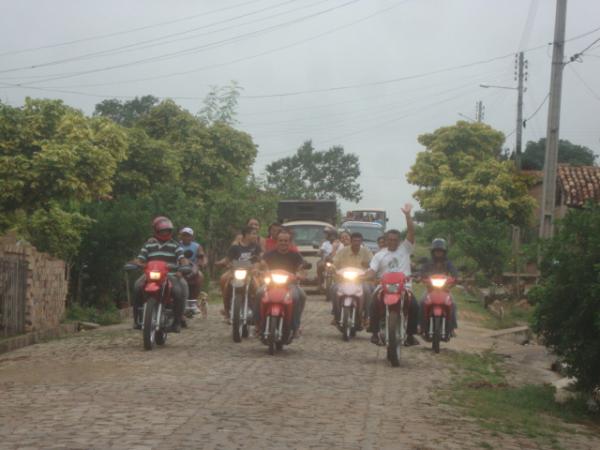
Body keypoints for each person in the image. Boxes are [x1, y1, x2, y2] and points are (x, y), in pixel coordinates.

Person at [366, 204, 420, 346]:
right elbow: (372, 271)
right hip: (384, 287)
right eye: (390, 239)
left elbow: (411, 232)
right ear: (385, 240)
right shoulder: (379, 255)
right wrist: (364, 276)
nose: (393, 242)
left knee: (414, 305)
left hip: (404, 287)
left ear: (400, 240)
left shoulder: (405, 249)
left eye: (396, 239)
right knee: (373, 302)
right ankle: (374, 332)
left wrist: (407, 215)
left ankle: (410, 335)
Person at [132, 216, 189, 333]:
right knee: (137, 286)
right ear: (156, 231)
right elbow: (139, 259)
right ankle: (137, 319)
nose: (165, 233)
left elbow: (182, 259)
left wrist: (182, 267)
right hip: (150, 275)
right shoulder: (148, 244)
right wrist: (140, 264)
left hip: (170, 275)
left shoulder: (175, 245)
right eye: (162, 231)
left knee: (179, 291)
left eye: (167, 230)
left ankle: (177, 321)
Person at [258, 230, 307, 338]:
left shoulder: (296, 256)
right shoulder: (268, 254)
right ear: (277, 242)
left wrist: (300, 275)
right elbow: (261, 266)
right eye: (280, 240)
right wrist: (259, 271)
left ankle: (295, 327)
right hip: (271, 284)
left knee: (300, 295)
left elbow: (301, 269)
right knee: (259, 292)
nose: (283, 243)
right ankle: (258, 324)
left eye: (286, 241)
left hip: (290, 285)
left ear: (290, 242)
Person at [330, 232, 373, 327]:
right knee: (333, 289)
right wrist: (332, 267)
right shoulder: (343, 251)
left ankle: (366, 317)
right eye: (354, 241)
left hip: (361, 280)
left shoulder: (366, 252)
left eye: (358, 241)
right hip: (343, 280)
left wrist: (369, 268)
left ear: (361, 242)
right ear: (351, 241)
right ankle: (336, 314)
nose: (356, 243)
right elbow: (335, 262)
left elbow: (372, 264)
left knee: (368, 290)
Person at [219, 226, 262, 321]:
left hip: (251, 273)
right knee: (226, 284)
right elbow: (228, 260)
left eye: (256, 234)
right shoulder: (235, 247)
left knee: (258, 287)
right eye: (254, 234)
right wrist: (229, 265)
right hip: (236, 272)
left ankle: (258, 311)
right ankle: (227, 311)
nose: (256, 236)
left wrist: (256, 268)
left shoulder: (256, 247)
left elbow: (259, 260)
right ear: (246, 235)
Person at [418, 238, 459, 335]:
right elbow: (422, 272)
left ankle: (452, 327)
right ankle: (420, 325)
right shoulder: (428, 262)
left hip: (445, 290)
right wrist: (420, 276)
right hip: (430, 290)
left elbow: (454, 272)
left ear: (444, 252)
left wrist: (456, 277)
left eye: (440, 251)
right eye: (436, 251)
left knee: (453, 304)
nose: (438, 253)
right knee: (421, 302)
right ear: (433, 252)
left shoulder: (448, 263)